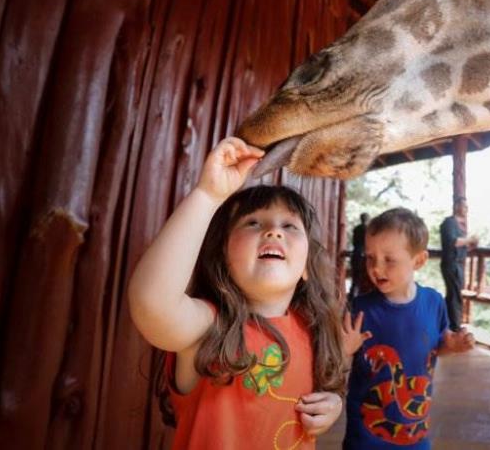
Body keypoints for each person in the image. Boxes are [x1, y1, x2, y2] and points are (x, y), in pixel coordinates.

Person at [128, 137, 346, 449]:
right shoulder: (208, 327)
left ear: (307, 268)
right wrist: (207, 195)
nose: (274, 231)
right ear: (223, 258)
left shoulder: (311, 328)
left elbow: (323, 391)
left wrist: (332, 405)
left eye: (290, 226)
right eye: (253, 223)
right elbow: (152, 304)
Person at [342, 207, 475, 449]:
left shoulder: (434, 302)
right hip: (365, 438)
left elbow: (437, 346)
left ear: (419, 261)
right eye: (370, 258)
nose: (376, 268)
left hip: (416, 435)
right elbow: (336, 367)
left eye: (389, 259)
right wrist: (345, 350)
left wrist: (452, 345)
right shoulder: (359, 309)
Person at [439, 197, 478, 332]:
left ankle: (447, 323)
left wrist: (470, 245)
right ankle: (455, 327)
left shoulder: (458, 227)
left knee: (453, 295)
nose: (466, 209)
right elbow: (453, 242)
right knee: (455, 296)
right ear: (456, 206)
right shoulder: (449, 223)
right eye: (464, 206)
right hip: (451, 264)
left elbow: (461, 246)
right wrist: (470, 239)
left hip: (458, 265)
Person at [348, 212, 370, 304]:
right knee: (362, 278)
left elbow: (354, 242)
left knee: (355, 279)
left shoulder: (356, 229)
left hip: (355, 253)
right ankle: (360, 301)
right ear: (367, 219)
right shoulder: (368, 229)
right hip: (363, 255)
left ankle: (350, 300)